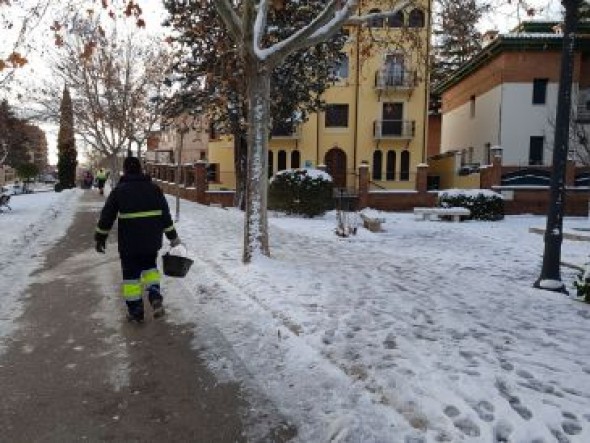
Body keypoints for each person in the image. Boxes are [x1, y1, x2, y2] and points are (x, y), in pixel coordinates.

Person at [94, 156, 181, 322]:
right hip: (151, 242)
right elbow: (165, 217)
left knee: (131, 278)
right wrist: (173, 238)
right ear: (140, 170)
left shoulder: (119, 191)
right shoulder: (155, 189)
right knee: (150, 269)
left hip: (129, 244)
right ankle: (155, 296)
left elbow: (107, 217)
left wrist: (100, 237)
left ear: (125, 171)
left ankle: (136, 311)